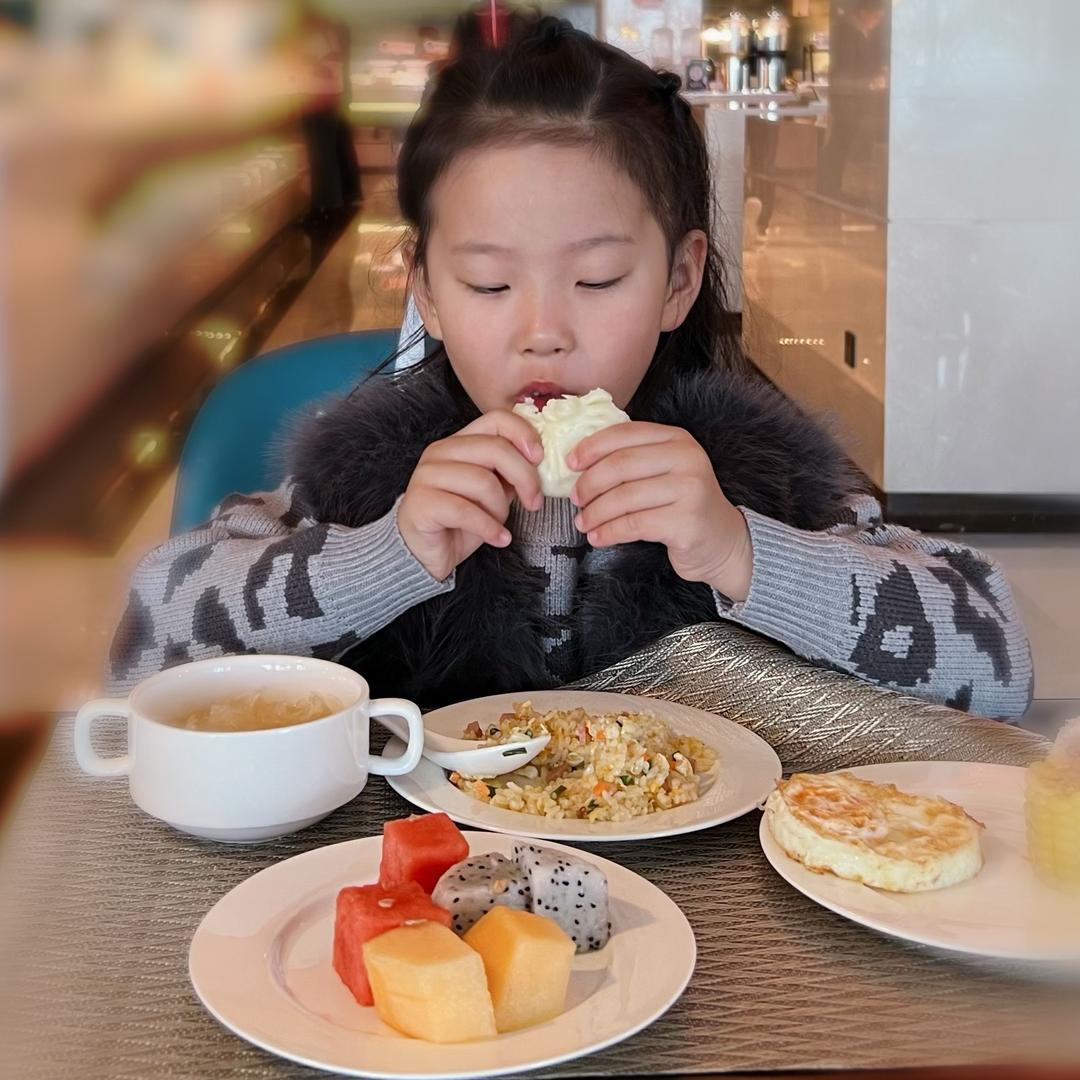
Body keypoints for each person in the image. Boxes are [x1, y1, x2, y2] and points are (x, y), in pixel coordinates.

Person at [108, 18, 1032, 720]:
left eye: (596, 279)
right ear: (424, 290)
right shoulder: (370, 476)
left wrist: (745, 552)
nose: (543, 332)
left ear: (678, 280)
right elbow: (145, 647)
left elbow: (999, 666)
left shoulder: (755, 470)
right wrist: (382, 556)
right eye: (488, 282)